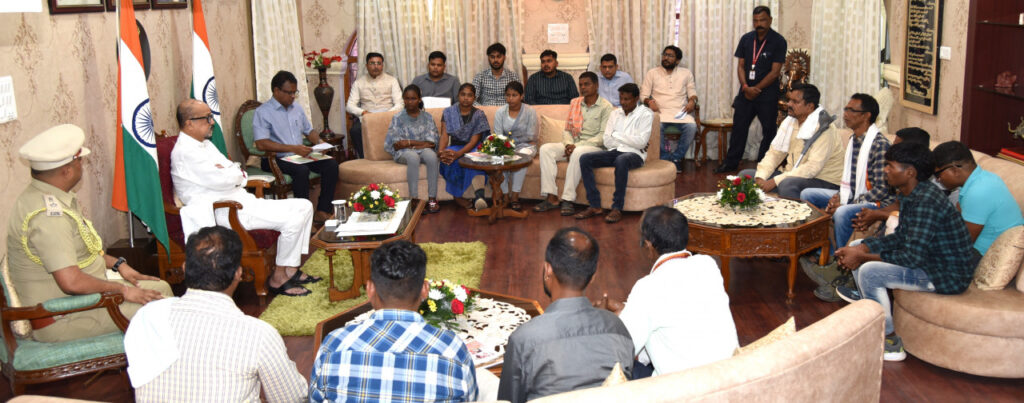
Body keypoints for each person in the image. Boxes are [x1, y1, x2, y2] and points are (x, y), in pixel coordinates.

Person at [6, 124, 172, 343]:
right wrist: (122, 290)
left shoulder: (50, 196)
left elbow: (84, 250)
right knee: (164, 309)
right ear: (67, 171)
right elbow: (71, 282)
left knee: (162, 288)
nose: (82, 165)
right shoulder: (48, 217)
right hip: (64, 317)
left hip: (83, 302)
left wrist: (119, 265)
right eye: (79, 160)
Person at [126, 226, 307, 402]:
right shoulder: (258, 334)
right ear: (238, 273)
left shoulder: (146, 317)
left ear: (184, 267)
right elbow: (291, 398)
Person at [833, 142, 975, 362]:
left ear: (910, 172)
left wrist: (862, 257)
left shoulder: (927, 201)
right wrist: (863, 248)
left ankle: (890, 342)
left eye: (890, 166)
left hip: (946, 274)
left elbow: (912, 257)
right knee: (858, 245)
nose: (885, 170)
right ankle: (868, 309)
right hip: (929, 261)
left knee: (870, 271)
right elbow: (901, 237)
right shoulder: (912, 193)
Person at [172, 99, 318, 297]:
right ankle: (278, 278)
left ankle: (290, 269)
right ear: (189, 123)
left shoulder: (205, 145)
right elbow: (225, 179)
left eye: (211, 116)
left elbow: (235, 171)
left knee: (305, 206)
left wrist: (231, 173)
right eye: (207, 118)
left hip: (240, 201)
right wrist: (232, 173)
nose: (212, 122)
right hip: (224, 210)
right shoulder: (185, 152)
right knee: (293, 218)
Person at [310, 240, 478, 401]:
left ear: (370, 289)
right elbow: (470, 398)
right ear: (425, 290)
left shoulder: (334, 345)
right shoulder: (452, 349)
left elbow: (315, 398)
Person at [594, 206, 737, 378]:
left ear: (648, 246)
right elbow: (680, 311)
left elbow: (621, 351)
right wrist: (628, 309)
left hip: (686, 388)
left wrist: (603, 322)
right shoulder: (708, 265)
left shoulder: (648, 288)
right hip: (730, 377)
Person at [498, 228, 633, 402]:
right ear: (593, 276)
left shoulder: (524, 339)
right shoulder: (618, 329)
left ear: (548, 269)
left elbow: (508, 399)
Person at [798, 94, 893, 302]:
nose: (846, 114)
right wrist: (836, 196)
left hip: (876, 203)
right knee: (808, 195)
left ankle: (842, 270)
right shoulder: (854, 139)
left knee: (842, 212)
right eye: (846, 109)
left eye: (852, 110)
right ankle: (824, 252)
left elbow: (882, 190)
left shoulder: (879, 145)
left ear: (867, 116)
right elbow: (848, 181)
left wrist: (847, 202)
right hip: (853, 196)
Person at [253, 70, 339, 223]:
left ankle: (322, 210)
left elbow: (309, 131)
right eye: (289, 93)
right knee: (301, 171)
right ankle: (303, 219)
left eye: (295, 92)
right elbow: (261, 143)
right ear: (276, 91)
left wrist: (319, 142)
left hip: (299, 155)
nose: (293, 96)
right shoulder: (263, 112)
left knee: (331, 165)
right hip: (275, 158)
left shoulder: (297, 108)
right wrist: (292, 148)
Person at [738, 83, 844, 199]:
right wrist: (760, 177)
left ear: (810, 106)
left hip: (824, 181)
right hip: (793, 176)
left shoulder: (824, 127)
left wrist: (775, 181)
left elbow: (812, 168)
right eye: (789, 100)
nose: (789, 104)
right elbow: (774, 153)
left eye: (795, 102)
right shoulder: (789, 121)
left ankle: (797, 211)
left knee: (787, 185)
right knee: (745, 176)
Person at [715, 5, 788, 173]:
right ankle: (731, 163)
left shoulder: (779, 41)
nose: (759, 24)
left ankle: (763, 165)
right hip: (746, 92)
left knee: (769, 130)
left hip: (767, 93)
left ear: (770, 20)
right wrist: (746, 87)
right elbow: (741, 66)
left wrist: (756, 88)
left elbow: (775, 72)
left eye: (762, 20)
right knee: (739, 128)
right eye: (756, 20)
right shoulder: (746, 39)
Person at [532, 72, 613, 216]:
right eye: (580, 85)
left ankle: (568, 199)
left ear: (596, 85)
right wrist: (569, 144)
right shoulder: (575, 103)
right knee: (546, 149)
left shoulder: (606, 107)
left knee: (578, 152)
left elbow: (603, 137)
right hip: (573, 144)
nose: (583, 87)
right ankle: (551, 197)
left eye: (587, 84)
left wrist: (576, 147)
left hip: (594, 147)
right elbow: (568, 129)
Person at [577, 83, 654, 223]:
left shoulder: (646, 114)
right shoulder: (615, 113)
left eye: (627, 99)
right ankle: (595, 205)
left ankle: (617, 208)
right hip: (615, 151)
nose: (623, 102)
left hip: (635, 155)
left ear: (636, 98)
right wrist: (629, 140)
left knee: (622, 160)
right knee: (585, 158)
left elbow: (641, 142)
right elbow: (607, 141)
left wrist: (616, 135)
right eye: (621, 99)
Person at [931, 141, 1024, 255]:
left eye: (937, 174)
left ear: (955, 170)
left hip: (987, 255)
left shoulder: (978, 192)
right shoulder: (982, 178)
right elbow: (956, 218)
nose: (938, 180)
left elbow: (962, 244)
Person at [640, 45, 698, 173]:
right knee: (655, 127)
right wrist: (649, 101)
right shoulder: (652, 73)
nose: (666, 58)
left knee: (691, 127)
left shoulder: (686, 73)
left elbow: (692, 92)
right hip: (659, 112)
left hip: (680, 113)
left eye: (670, 56)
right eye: (665, 55)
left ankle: (676, 158)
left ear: (677, 60)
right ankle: (665, 158)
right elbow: (643, 94)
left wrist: (692, 101)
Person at [385, 85, 441, 213]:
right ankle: (414, 200)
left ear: (419, 99)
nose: (410, 102)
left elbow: (431, 143)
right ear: (403, 100)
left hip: (422, 150)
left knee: (432, 156)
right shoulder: (397, 118)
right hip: (403, 153)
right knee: (413, 157)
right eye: (407, 98)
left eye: (413, 98)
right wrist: (421, 144)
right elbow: (397, 145)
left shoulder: (427, 117)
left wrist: (409, 142)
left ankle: (432, 199)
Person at [439, 83, 490, 210]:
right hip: (456, 145)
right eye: (463, 94)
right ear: (458, 96)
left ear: (474, 98)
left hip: (474, 146)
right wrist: (441, 151)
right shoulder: (448, 112)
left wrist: (459, 154)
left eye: (469, 95)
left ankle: (479, 197)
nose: (466, 98)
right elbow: (444, 135)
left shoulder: (479, 115)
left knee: (474, 159)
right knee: (449, 158)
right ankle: (457, 196)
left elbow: (474, 140)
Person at [346, 52, 403, 158]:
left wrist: (386, 114)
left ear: (382, 65)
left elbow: (400, 103)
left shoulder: (392, 81)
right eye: (372, 63)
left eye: (378, 63)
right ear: (366, 65)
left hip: (387, 115)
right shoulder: (359, 83)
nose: (376, 66)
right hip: (367, 115)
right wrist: (363, 112)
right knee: (355, 130)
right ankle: (364, 158)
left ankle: (393, 157)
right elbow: (349, 105)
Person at [495, 81, 539, 211]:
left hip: (526, 146)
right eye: (508, 95)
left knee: (521, 157)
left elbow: (531, 136)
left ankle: (515, 195)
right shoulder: (500, 112)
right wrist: (507, 147)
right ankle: (505, 195)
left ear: (521, 96)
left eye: (514, 95)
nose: (510, 99)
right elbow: (498, 135)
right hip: (505, 145)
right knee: (500, 157)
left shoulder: (530, 111)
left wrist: (513, 144)